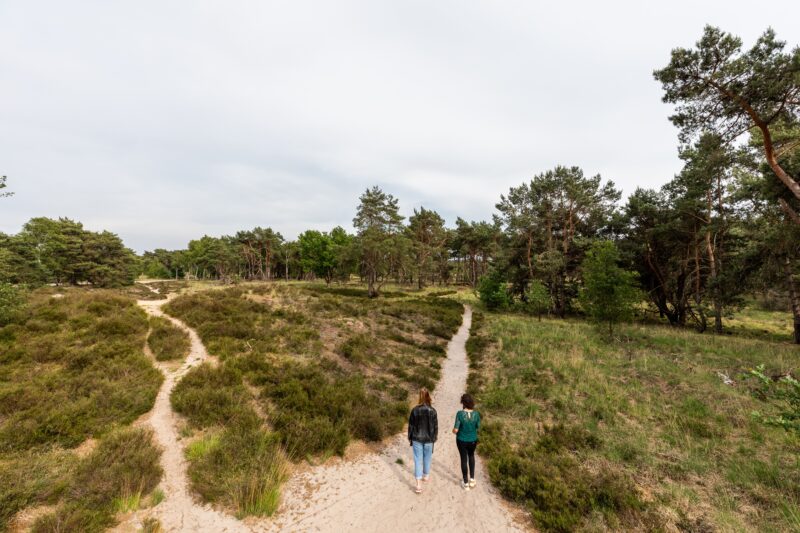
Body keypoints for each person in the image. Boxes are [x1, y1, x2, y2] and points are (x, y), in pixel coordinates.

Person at [408, 387, 438, 494]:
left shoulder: (414, 410)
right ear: (428, 396)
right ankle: (426, 475)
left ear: (419, 396)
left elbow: (410, 426)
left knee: (417, 460)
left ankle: (418, 486)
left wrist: (410, 438)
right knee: (427, 457)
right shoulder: (433, 411)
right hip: (429, 439)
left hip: (417, 438)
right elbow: (435, 427)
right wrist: (434, 438)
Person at [452, 393, 481, 490]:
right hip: (473, 440)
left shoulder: (460, 414)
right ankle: (472, 480)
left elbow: (455, 429)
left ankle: (465, 483)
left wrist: (454, 431)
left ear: (463, 402)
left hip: (461, 440)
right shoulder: (476, 414)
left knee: (464, 459)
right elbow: (478, 427)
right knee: (471, 456)